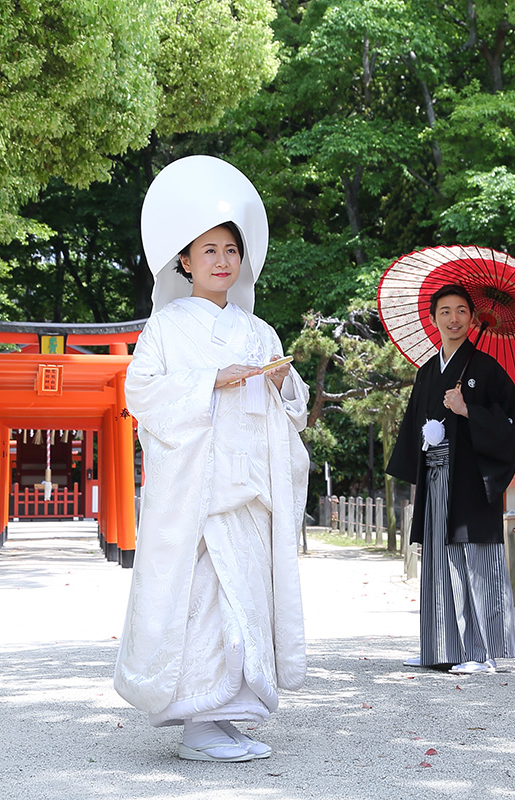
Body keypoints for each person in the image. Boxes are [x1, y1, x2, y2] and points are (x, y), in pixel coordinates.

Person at [114, 156, 310, 763]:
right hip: (198, 490)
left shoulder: (261, 332)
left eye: (231, 248)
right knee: (200, 601)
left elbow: (296, 406)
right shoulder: (167, 327)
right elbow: (140, 392)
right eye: (208, 250)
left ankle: (229, 715)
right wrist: (209, 380)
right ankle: (198, 721)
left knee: (246, 598)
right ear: (185, 261)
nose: (222, 260)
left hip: (249, 489)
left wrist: (281, 386)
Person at [387, 283, 515, 675]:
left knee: (474, 562)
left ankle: (483, 653)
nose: (453, 319)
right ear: (432, 320)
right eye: (445, 311)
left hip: (472, 480)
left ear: (473, 319)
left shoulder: (489, 371)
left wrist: (468, 411)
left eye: (462, 311)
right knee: (438, 562)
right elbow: (414, 424)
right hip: (436, 476)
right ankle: (440, 649)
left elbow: (508, 425)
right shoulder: (428, 371)